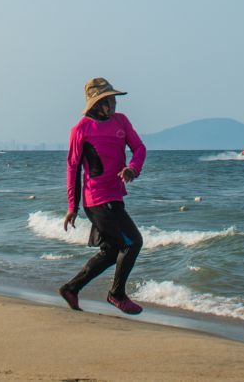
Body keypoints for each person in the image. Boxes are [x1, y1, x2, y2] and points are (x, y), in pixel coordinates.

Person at [58, 77, 149, 315]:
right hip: (97, 200)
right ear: (97, 104)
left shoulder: (121, 122)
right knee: (133, 243)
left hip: (115, 197)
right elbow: (73, 168)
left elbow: (139, 148)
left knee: (111, 251)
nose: (114, 104)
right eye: (109, 100)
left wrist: (132, 168)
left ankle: (71, 288)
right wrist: (72, 207)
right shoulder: (81, 129)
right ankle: (116, 294)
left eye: (114, 99)